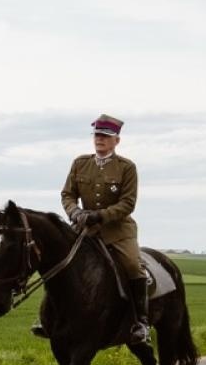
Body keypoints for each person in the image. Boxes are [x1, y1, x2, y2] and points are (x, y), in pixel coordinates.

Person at [50, 114, 148, 345]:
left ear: (117, 141)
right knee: (58, 262)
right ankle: (49, 317)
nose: (100, 139)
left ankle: (140, 322)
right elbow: (67, 194)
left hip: (117, 231)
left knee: (133, 265)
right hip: (83, 228)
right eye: (97, 135)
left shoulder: (126, 167)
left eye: (105, 136)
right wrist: (75, 213)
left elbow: (127, 203)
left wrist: (100, 216)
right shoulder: (80, 163)